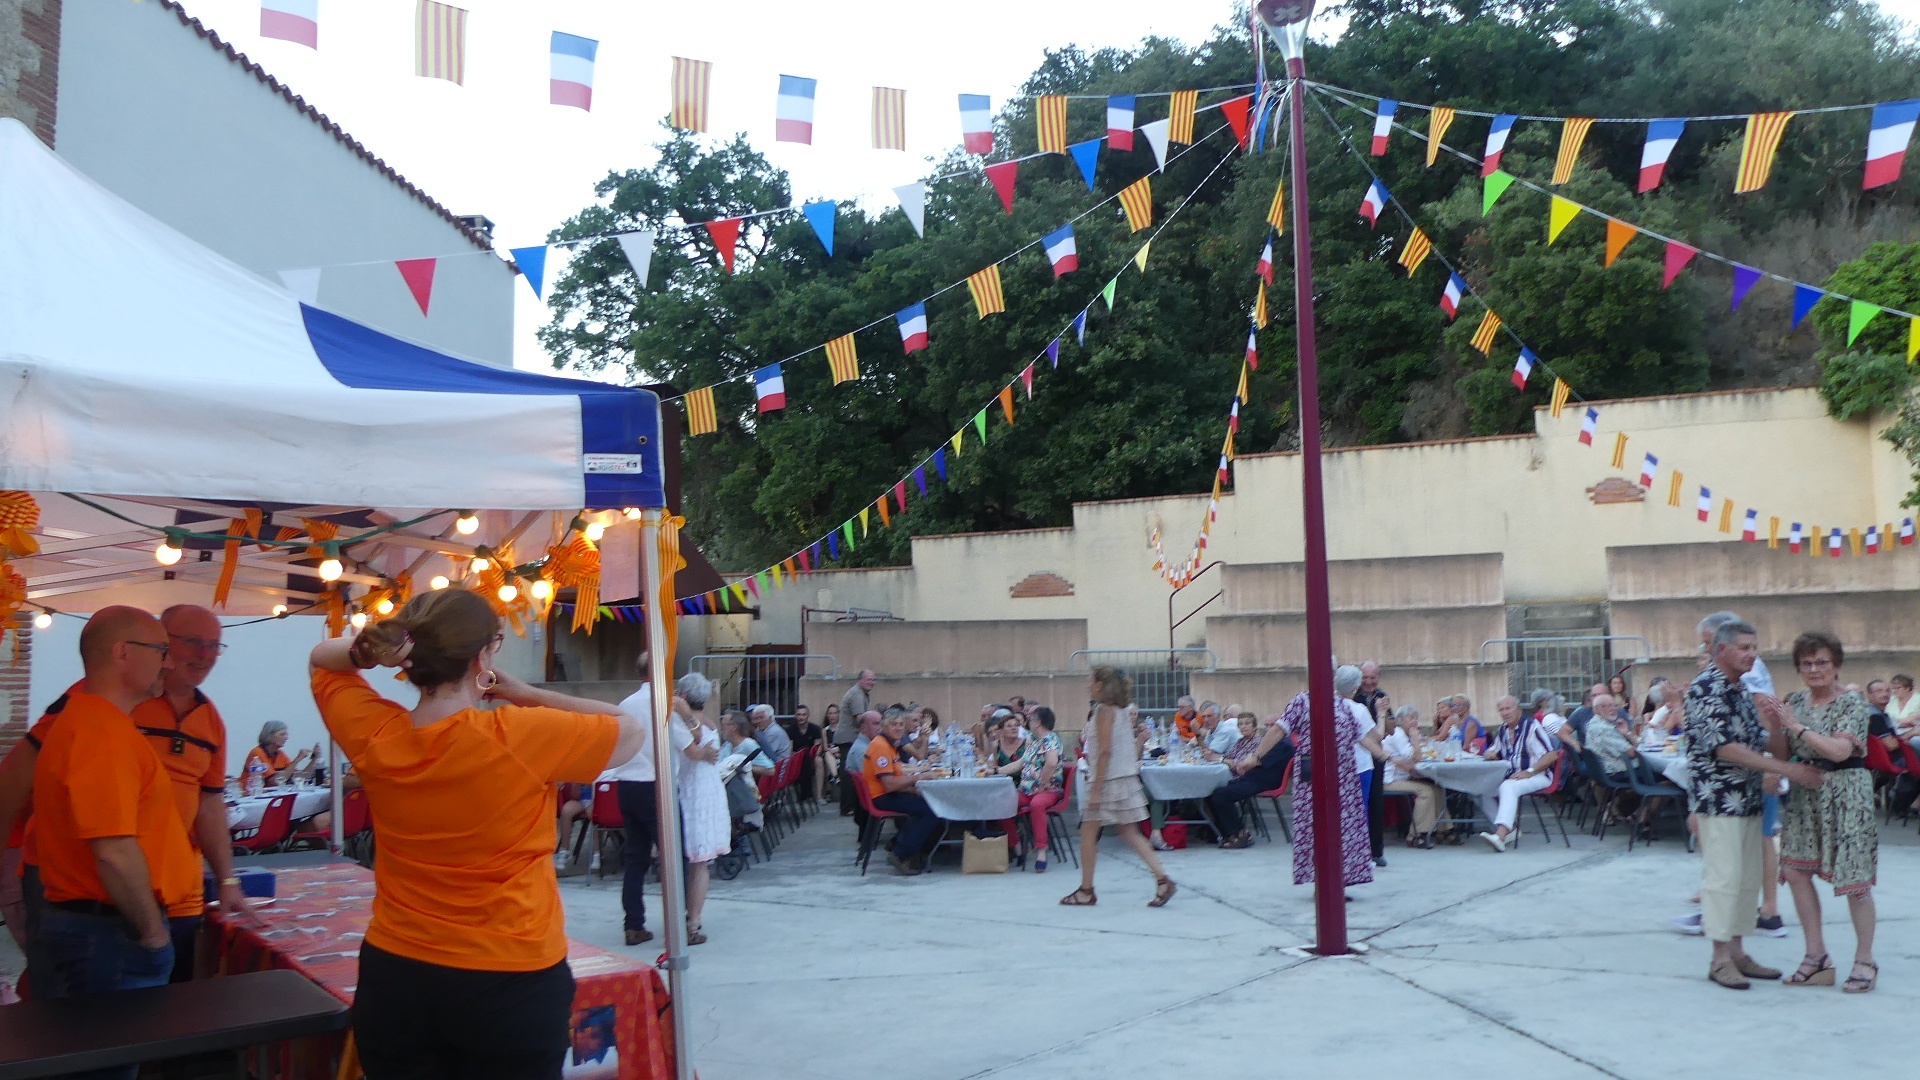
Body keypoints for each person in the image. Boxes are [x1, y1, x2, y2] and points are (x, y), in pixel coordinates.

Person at [309, 589, 647, 1077]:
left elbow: (322, 661)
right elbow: (630, 729)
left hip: (397, 973)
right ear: (483, 657)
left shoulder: (376, 734)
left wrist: (371, 652)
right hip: (510, 977)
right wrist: (528, 693)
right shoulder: (521, 734)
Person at [30, 607, 202, 1079]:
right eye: (162, 650)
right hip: (110, 931)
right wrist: (152, 933)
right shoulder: (100, 731)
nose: (170, 662)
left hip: (102, 928)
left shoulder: (97, 723)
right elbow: (113, 850)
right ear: (123, 653)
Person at [1682, 617, 1826, 990]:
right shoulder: (1706, 688)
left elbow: (1760, 741)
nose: (1752, 655)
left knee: (1747, 879)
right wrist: (1787, 770)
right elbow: (1725, 748)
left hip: (1748, 798)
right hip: (1720, 800)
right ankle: (1719, 959)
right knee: (1724, 878)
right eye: (1744, 648)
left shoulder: (1741, 689)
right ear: (1721, 649)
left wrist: (1777, 725)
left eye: (1754, 648)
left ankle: (1738, 952)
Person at [1768, 631, 1879, 992]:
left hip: (1847, 794)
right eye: (1807, 663)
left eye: (1821, 662)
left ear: (1836, 666)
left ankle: (1865, 960)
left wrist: (1795, 725)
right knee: (1795, 871)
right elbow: (1783, 754)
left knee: (1855, 881)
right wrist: (1774, 726)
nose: (1814, 669)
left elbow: (1839, 751)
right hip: (1806, 794)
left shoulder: (1852, 703)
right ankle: (1816, 956)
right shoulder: (1794, 702)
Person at [602, 657, 715, 947]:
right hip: (658, 786)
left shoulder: (626, 704)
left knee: (635, 858)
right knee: (674, 858)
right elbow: (691, 745)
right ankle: (681, 926)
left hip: (628, 785)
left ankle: (633, 925)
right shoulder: (667, 705)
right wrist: (698, 738)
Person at [1060, 667, 1174, 907]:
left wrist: (1096, 789)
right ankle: (1162, 879)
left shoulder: (1103, 711)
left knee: (1089, 833)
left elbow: (1105, 751)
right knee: (1129, 832)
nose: (1087, 685)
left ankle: (1086, 889)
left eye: (1091, 681)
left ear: (1101, 685)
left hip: (1107, 781)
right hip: (1124, 779)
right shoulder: (1121, 711)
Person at [1289, 666, 1384, 893]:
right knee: (1353, 822)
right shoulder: (1354, 709)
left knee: (1325, 824)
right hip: (1357, 769)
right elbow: (1375, 737)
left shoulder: (1317, 704)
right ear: (1355, 687)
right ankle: (1352, 867)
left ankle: (1327, 877)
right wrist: (1381, 714)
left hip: (1328, 771)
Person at [669, 674, 728, 946]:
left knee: (698, 859)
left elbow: (694, 750)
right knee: (699, 861)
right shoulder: (708, 720)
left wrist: (683, 713)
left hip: (695, 793)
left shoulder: (685, 721)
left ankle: (693, 920)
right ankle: (692, 918)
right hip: (705, 788)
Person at [1476, 694, 1559, 852]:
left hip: (1539, 775)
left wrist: (1530, 771)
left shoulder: (1532, 727)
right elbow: (1493, 750)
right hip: (1514, 776)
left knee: (1508, 786)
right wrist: (1489, 754)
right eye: (1501, 710)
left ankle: (1500, 835)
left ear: (1518, 708)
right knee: (1482, 791)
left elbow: (1552, 755)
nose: (1505, 713)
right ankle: (1510, 830)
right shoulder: (1503, 729)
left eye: (1508, 708)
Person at [864, 711, 941, 875]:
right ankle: (901, 854)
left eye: (900, 724)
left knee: (929, 802)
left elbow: (896, 777)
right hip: (882, 797)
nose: (898, 728)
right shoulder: (880, 747)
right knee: (933, 810)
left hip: (886, 793)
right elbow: (889, 785)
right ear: (884, 726)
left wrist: (915, 789)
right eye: (894, 724)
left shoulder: (889, 744)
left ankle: (904, 845)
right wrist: (919, 777)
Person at [1207, 712, 1294, 849]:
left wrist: (1241, 764)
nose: (1269, 729)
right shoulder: (1270, 742)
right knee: (1213, 791)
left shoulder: (1283, 744)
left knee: (1221, 795)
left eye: (1272, 725)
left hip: (1264, 781)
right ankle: (1226, 834)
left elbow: (1256, 761)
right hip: (1253, 778)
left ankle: (1241, 834)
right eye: (1267, 725)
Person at [1002, 707, 1064, 870]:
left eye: (1031, 719)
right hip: (1027, 790)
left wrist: (1042, 784)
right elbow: (1019, 763)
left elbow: (1051, 762)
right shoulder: (1033, 741)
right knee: (1001, 803)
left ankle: (1041, 852)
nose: (1028, 722)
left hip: (1048, 790)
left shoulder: (1051, 739)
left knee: (1037, 804)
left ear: (1038, 723)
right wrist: (995, 771)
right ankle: (1017, 847)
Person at [1381, 706, 1444, 847]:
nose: (1415, 721)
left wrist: (1416, 741)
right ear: (1400, 720)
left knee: (1437, 789)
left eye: (1416, 718)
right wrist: (1416, 740)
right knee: (1426, 792)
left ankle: (1445, 830)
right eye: (1411, 718)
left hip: (1402, 777)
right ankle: (1417, 835)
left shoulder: (1405, 735)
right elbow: (1416, 758)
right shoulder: (1397, 734)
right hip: (1389, 780)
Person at [1352, 662, 1389, 867]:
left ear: (1378, 678)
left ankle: (1376, 850)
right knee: (1358, 806)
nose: (1368, 682)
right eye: (1364, 678)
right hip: (1357, 758)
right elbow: (1375, 735)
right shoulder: (1352, 697)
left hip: (1375, 758)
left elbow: (1390, 729)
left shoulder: (1382, 696)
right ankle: (1359, 851)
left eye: (1372, 678)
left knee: (1376, 803)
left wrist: (1384, 712)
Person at [835, 670, 875, 815]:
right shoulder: (857, 694)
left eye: (873, 680)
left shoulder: (860, 692)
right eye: (869, 679)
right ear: (860, 679)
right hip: (849, 737)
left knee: (850, 772)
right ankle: (847, 807)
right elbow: (860, 719)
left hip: (849, 737)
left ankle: (849, 805)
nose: (872, 682)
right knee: (849, 773)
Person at [243, 721, 314, 789]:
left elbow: (298, 777)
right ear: (269, 736)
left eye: (286, 734)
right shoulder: (257, 753)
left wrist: (314, 759)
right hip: (250, 794)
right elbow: (275, 781)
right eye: (282, 734)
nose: (286, 738)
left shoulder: (280, 753)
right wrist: (297, 760)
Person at [789, 704, 825, 803]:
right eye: (799, 715)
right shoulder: (790, 730)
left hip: (811, 756)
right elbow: (790, 749)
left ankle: (819, 797)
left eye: (804, 714)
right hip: (796, 758)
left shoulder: (815, 729)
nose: (801, 717)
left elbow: (818, 748)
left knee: (819, 760)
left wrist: (809, 756)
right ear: (796, 716)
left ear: (808, 715)